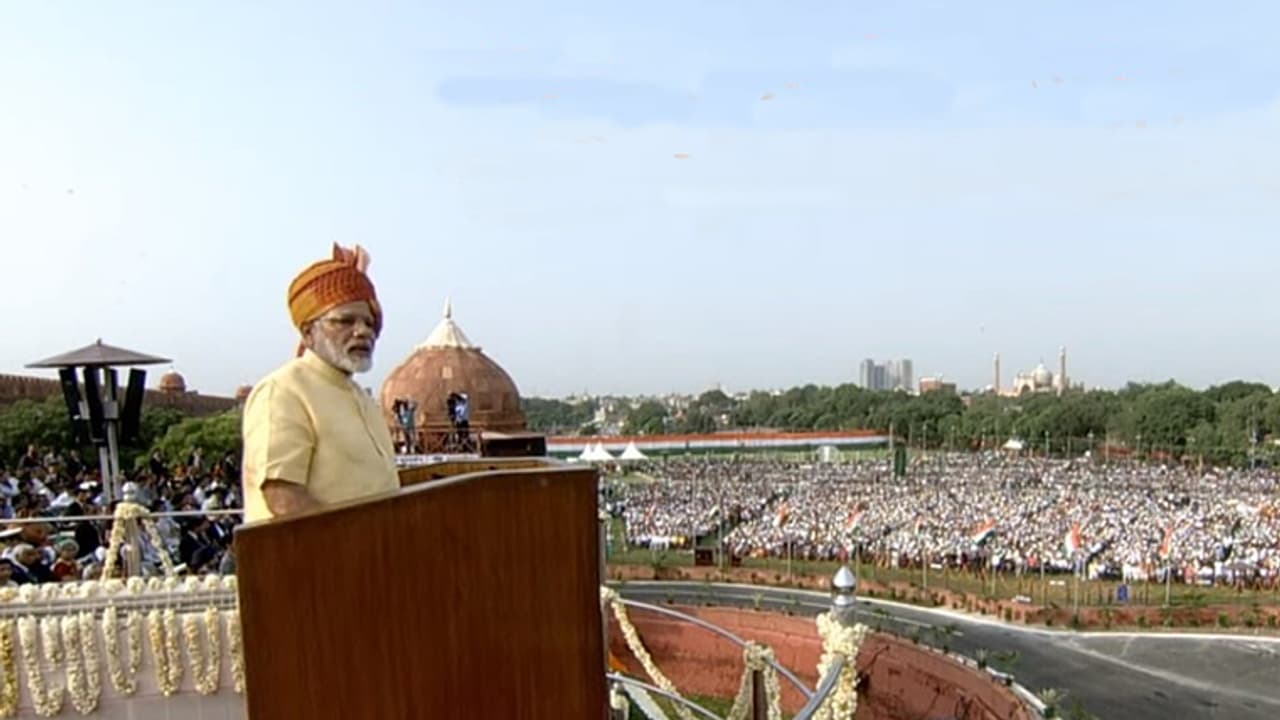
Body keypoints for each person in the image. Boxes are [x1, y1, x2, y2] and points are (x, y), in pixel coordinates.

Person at [240, 244, 400, 523]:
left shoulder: (361, 399)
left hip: (374, 560)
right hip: (315, 562)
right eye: (345, 321)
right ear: (308, 332)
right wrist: (355, 547)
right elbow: (283, 497)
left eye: (369, 322)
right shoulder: (284, 391)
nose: (362, 331)